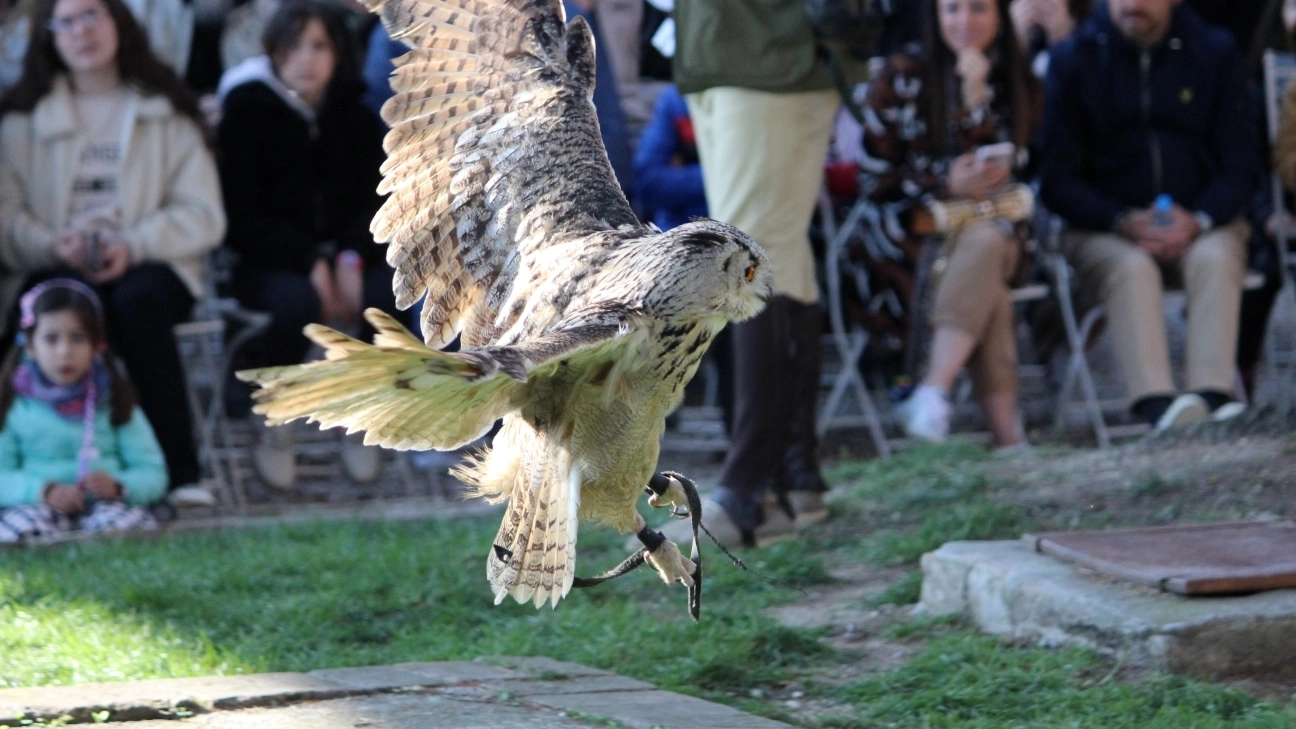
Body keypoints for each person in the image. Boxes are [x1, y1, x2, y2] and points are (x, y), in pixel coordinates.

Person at [0, 0, 226, 507]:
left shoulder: (167, 111)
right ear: (48, 37)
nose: (82, 31)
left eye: (92, 15)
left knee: (137, 302)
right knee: (39, 308)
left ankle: (179, 472)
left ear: (119, 23)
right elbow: (6, 216)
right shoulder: (20, 121)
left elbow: (203, 213)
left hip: (152, 263)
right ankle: (26, 480)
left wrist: (135, 242)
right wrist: (52, 243)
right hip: (55, 263)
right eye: (67, 21)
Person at [656, 0, 840, 549]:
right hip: (717, 46)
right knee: (778, 257)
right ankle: (793, 481)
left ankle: (748, 491)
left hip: (775, 50)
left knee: (744, 259)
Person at [1038, 0, 1259, 430]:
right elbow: (1057, 179)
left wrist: (1199, 218)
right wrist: (1119, 219)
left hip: (1200, 222)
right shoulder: (1074, 59)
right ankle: (1158, 409)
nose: (1132, 3)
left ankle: (1210, 398)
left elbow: (1241, 164)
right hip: (1104, 229)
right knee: (1132, 268)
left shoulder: (1213, 52)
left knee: (1216, 257)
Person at [217, 0, 395, 489]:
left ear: (339, 52)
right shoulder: (248, 109)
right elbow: (241, 217)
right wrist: (311, 260)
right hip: (270, 261)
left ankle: (368, 409)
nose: (307, 59)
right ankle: (275, 415)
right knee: (295, 303)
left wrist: (350, 255)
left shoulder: (356, 115)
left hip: (349, 255)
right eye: (294, 46)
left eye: (319, 45)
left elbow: (378, 199)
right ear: (274, 51)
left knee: (389, 298)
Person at [866, 0, 1039, 450]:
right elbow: (871, 175)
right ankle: (1007, 436)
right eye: (952, 9)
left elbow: (1027, 167)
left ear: (1000, 16)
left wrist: (975, 93)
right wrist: (944, 182)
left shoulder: (1017, 79)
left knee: (985, 243)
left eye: (978, 9)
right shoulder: (899, 75)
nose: (964, 21)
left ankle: (932, 392)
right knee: (990, 288)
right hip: (911, 234)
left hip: (996, 223)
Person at [0, 279, 166, 542]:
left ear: (96, 345)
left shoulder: (114, 400)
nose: (64, 351)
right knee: (19, 533)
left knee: (124, 530)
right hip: (36, 507)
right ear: (30, 346)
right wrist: (41, 492)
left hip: (107, 508)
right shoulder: (12, 405)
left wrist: (120, 487)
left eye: (77, 338)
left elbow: (153, 472)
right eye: (51, 339)